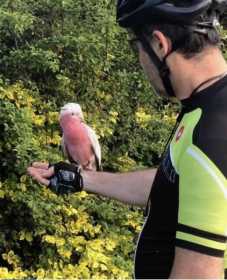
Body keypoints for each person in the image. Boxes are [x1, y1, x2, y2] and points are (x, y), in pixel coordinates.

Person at [27, 0, 227, 278]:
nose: (139, 60)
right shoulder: (206, 108)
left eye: (137, 47)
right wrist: (81, 178)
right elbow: (178, 183)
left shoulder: (213, 131)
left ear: (159, 44)